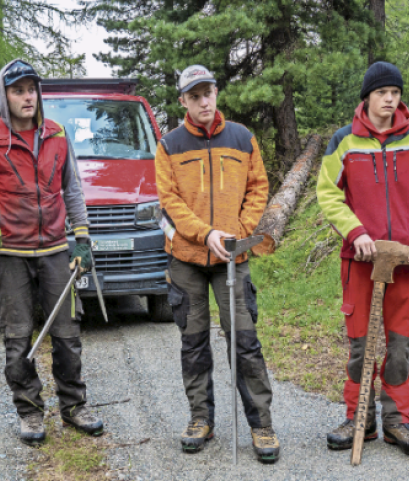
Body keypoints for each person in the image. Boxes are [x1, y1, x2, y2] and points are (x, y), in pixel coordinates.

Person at [0, 59, 104, 446]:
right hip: (8, 253)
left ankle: (74, 406)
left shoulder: (57, 135)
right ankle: (29, 411)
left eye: (31, 89)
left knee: (68, 333)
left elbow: (72, 189)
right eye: (18, 90)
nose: (27, 96)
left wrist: (83, 239)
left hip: (55, 249)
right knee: (17, 336)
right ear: (3, 96)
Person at [316, 61, 409, 456]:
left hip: (403, 265)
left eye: (395, 93)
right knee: (361, 346)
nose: (390, 99)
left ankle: (397, 421)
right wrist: (356, 233)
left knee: (400, 344)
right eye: (382, 93)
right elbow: (328, 194)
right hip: (360, 265)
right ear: (367, 97)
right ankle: (361, 418)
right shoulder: (345, 141)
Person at [154, 65, 279, 463]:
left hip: (234, 257)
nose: (204, 101)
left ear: (216, 92)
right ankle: (200, 419)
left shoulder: (242, 138)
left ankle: (261, 424)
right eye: (195, 96)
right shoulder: (169, 145)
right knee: (193, 343)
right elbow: (169, 201)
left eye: (208, 93)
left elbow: (259, 187)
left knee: (244, 341)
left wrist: (239, 231)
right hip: (187, 259)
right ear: (183, 102)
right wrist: (205, 233)